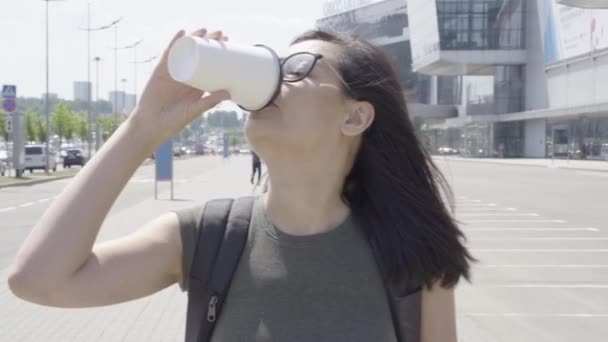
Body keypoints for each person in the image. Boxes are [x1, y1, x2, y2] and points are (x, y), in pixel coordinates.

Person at [8, 27, 473, 342]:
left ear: (355, 116)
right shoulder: (209, 237)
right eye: (271, 65)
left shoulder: (411, 253)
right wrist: (142, 128)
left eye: (298, 69)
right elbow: (39, 282)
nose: (272, 81)